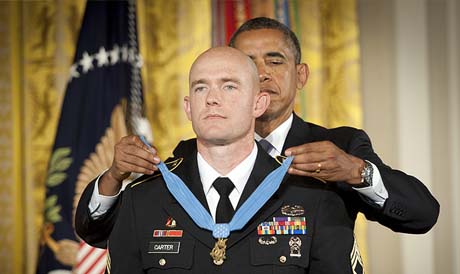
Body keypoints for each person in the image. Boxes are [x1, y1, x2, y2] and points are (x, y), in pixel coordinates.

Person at [75, 17, 439, 247]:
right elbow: (101, 234)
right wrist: (113, 176)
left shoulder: (339, 147)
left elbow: (422, 215)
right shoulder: (189, 153)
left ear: (301, 76)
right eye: (248, 64)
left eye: (275, 61)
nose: (262, 73)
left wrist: (357, 171)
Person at [105, 46, 363, 273]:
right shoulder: (141, 201)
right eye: (200, 87)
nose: (212, 99)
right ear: (188, 108)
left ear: (258, 104)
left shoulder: (313, 198)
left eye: (229, 86)